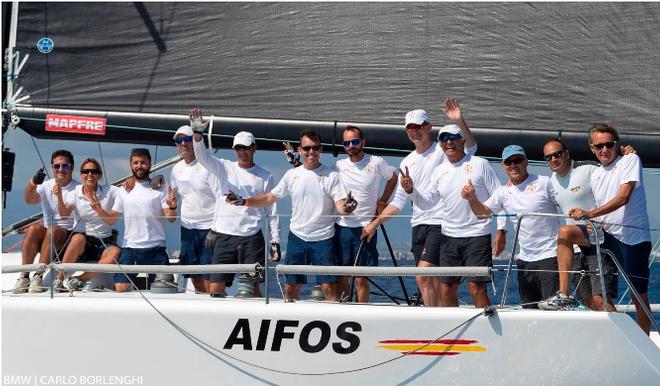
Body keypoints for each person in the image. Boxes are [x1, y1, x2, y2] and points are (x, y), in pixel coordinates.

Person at [362, 98, 477, 306]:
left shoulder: (444, 148)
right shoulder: (407, 161)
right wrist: (373, 224)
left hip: (440, 223)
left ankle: (432, 319)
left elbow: (470, 148)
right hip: (418, 225)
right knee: (431, 282)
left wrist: (459, 122)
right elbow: (398, 201)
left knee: (423, 275)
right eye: (410, 128)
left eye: (419, 126)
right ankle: (438, 320)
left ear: (428, 127)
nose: (414, 131)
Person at [227, 129, 357, 302]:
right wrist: (243, 201)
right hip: (297, 238)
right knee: (291, 288)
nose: (311, 152)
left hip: (323, 239)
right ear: (300, 150)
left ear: (321, 149)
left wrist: (348, 208)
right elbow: (269, 198)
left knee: (329, 287)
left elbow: (341, 206)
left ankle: (332, 324)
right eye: (307, 148)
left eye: (315, 148)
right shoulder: (292, 175)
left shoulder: (332, 176)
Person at [403, 124, 504, 308]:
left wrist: (501, 230)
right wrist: (411, 190)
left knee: (475, 287)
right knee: (447, 288)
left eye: (452, 137)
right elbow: (426, 203)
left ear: (462, 140)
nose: (448, 142)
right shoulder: (440, 171)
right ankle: (450, 332)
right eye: (443, 139)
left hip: (477, 235)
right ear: (440, 145)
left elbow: (500, 197)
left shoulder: (480, 164)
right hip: (449, 237)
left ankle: (486, 330)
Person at [569, 123, 653, 334]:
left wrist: (589, 214)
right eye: (599, 146)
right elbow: (603, 208)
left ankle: (644, 341)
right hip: (606, 236)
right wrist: (594, 222)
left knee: (638, 295)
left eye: (608, 144)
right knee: (565, 234)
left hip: (631, 238)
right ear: (592, 149)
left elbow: (624, 197)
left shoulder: (629, 160)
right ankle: (563, 293)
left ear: (616, 145)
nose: (604, 150)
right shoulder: (596, 174)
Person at [462, 145, 565, 309]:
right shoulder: (502, 192)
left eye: (517, 160)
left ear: (526, 162)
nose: (513, 165)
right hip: (525, 261)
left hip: (550, 257)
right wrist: (472, 198)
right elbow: (482, 214)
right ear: (503, 167)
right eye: (508, 162)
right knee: (529, 311)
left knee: (554, 311)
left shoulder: (545, 182)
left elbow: (567, 205)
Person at [192, 123, 280, 298]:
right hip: (224, 236)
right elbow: (202, 157)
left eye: (246, 147)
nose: (242, 152)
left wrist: (275, 239)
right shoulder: (224, 167)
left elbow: (272, 209)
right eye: (238, 148)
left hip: (251, 237)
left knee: (253, 287)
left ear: (254, 148)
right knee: (215, 287)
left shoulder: (265, 175)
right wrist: (197, 135)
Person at [335, 125, 397, 302]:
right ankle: (344, 312)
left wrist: (383, 201)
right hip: (342, 228)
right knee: (342, 276)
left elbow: (393, 177)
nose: (351, 146)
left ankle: (361, 314)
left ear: (363, 142)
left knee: (362, 278)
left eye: (355, 141)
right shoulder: (338, 166)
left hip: (366, 228)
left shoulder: (376, 162)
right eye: (346, 143)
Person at [106, 148, 177, 292]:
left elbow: (170, 218)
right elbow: (112, 219)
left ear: (151, 164)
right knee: (121, 287)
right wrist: (96, 208)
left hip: (155, 248)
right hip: (130, 247)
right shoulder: (124, 189)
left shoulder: (161, 187)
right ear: (131, 165)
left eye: (143, 162)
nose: (139, 166)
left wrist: (173, 206)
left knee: (162, 290)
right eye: (136, 163)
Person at [13, 150, 80, 293]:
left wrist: (59, 195)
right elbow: (29, 200)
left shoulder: (77, 189)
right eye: (57, 166)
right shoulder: (46, 185)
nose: (60, 170)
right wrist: (33, 182)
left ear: (71, 168)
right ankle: (24, 276)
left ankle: (38, 276)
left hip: (67, 235)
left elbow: (64, 216)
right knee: (33, 229)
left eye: (65, 166)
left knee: (54, 229)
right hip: (49, 234)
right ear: (52, 169)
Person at [54, 158, 121, 290]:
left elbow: (126, 192)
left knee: (115, 252)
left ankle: (79, 280)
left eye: (94, 171)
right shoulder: (75, 192)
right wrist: (59, 197)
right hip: (82, 241)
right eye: (86, 171)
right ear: (81, 175)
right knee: (78, 238)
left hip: (104, 241)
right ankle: (60, 278)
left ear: (99, 175)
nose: (90, 174)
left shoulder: (111, 191)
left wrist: (99, 210)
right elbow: (64, 214)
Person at [169, 122, 215, 293]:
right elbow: (175, 195)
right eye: (179, 140)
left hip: (210, 228)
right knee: (194, 275)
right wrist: (172, 204)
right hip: (188, 228)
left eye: (187, 139)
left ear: (194, 141)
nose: (183, 144)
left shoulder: (208, 165)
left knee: (208, 275)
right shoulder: (176, 170)